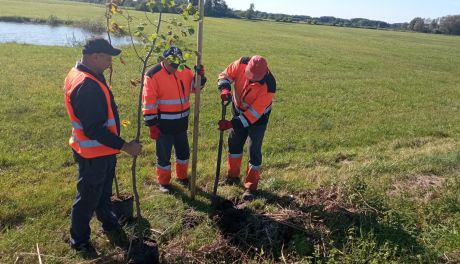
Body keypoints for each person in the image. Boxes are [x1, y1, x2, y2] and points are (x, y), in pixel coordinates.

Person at [63, 37, 142, 256]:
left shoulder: (90, 74)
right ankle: (79, 241)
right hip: (93, 153)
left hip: (102, 151)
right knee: (87, 197)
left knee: (103, 193)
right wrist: (125, 146)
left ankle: (107, 221)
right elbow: (94, 129)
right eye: (107, 57)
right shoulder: (86, 85)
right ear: (95, 56)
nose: (110, 62)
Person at [142, 46, 206, 193]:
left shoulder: (185, 70)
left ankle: (182, 177)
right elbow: (149, 101)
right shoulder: (152, 75)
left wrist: (200, 77)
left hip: (182, 122)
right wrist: (152, 124)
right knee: (163, 155)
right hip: (163, 125)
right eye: (172, 64)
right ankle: (164, 182)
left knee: (183, 153)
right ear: (164, 60)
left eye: (177, 64)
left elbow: (195, 89)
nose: (175, 68)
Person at [217, 55, 276, 200]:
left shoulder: (269, 85)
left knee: (254, 150)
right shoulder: (242, 63)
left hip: (258, 118)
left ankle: (250, 187)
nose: (252, 79)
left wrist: (232, 123)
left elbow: (252, 115)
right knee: (234, 143)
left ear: (264, 73)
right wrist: (225, 89)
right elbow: (225, 75)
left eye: (256, 78)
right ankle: (233, 176)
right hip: (238, 109)